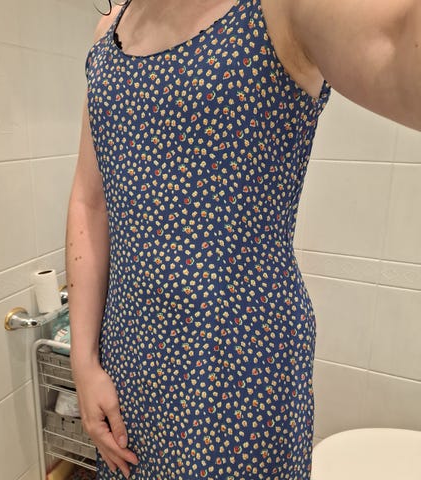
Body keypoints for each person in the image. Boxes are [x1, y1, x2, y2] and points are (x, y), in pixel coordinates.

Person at [66, 1, 421, 479]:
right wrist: (84, 361)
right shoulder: (108, 35)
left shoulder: (279, 9)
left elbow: (399, 46)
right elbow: (90, 201)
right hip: (127, 364)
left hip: (240, 375)